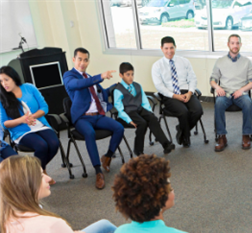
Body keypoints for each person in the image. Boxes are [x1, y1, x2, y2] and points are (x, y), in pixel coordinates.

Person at [63, 47, 124, 190]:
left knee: (119, 128)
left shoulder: (89, 76)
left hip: (97, 115)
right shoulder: (69, 76)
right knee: (89, 133)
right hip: (82, 119)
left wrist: (116, 86)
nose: (82, 63)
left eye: (85, 60)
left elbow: (102, 93)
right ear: (73, 60)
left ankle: (107, 156)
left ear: (88, 61)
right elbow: (78, 85)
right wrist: (100, 76)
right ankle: (98, 171)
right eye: (79, 59)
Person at [0, 66, 59, 183]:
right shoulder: (2, 98)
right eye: (1, 81)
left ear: (14, 78)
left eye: (6, 79)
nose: (3, 84)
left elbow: (44, 107)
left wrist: (33, 116)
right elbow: (4, 123)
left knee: (54, 143)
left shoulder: (29, 88)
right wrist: (22, 120)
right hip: (21, 131)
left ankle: (38, 171)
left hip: (39, 124)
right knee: (41, 145)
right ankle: (41, 175)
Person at [113, 62, 175, 157]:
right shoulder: (118, 90)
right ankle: (138, 150)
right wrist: (129, 120)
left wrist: (149, 113)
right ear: (121, 75)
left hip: (139, 109)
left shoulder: (137, 86)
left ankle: (166, 144)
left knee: (152, 118)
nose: (131, 77)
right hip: (128, 113)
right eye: (128, 75)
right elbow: (119, 110)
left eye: (132, 74)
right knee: (142, 123)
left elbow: (145, 102)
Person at [151, 36, 203, 148]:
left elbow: (193, 79)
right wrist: (175, 96)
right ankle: (185, 137)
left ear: (175, 47)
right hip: (169, 95)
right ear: (161, 48)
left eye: (171, 48)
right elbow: (159, 86)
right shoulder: (157, 66)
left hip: (186, 91)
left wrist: (190, 93)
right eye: (166, 48)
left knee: (198, 110)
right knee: (183, 112)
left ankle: (182, 129)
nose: (169, 51)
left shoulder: (184, 61)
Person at [210, 34, 252, 152]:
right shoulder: (220, 61)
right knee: (219, 104)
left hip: (241, 94)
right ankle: (221, 137)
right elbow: (212, 79)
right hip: (224, 93)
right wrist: (217, 87)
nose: (235, 46)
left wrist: (241, 90)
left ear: (240, 45)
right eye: (232, 43)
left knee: (248, 103)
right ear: (228, 44)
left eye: (237, 43)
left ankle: (246, 135)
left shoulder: (247, 62)